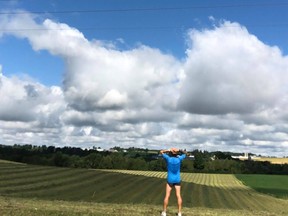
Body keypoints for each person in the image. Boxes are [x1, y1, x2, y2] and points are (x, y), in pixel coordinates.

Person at [160, 147, 187, 216]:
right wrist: (180, 150)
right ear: (176, 153)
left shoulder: (168, 159)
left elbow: (161, 152)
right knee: (178, 195)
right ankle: (179, 213)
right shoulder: (179, 159)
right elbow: (186, 154)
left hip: (170, 179)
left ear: (171, 153)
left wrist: (168, 150)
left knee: (167, 196)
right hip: (177, 179)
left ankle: (164, 212)